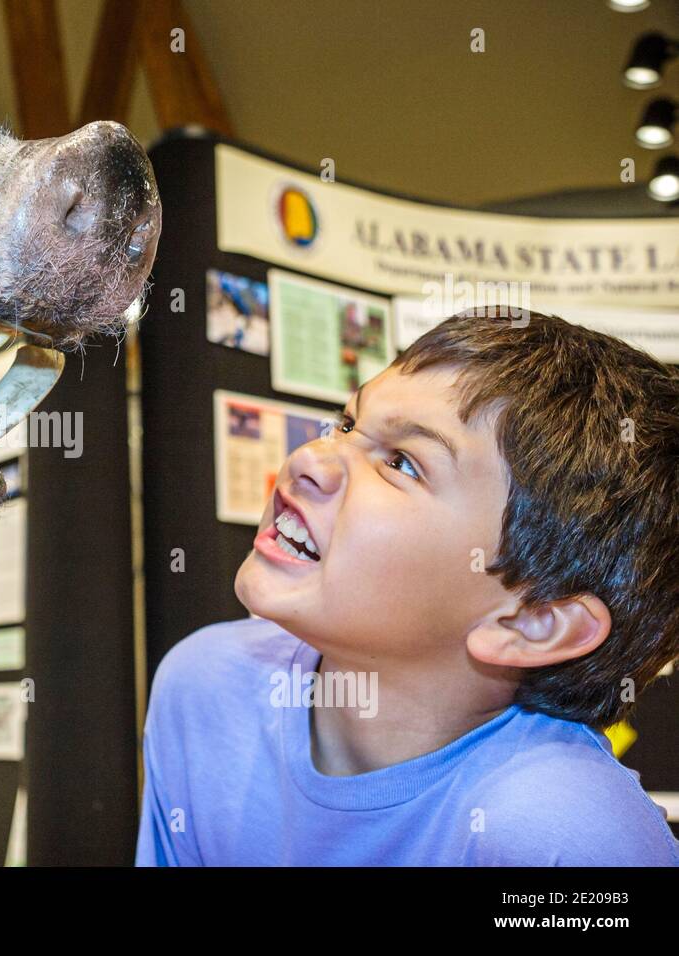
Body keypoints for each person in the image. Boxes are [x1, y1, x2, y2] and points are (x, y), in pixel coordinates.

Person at [136, 308, 679, 865]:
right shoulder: (204, 687)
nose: (310, 459)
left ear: (530, 622)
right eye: (346, 425)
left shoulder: (565, 838)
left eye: (402, 463)